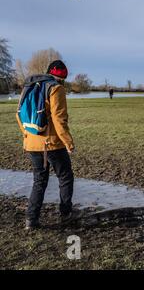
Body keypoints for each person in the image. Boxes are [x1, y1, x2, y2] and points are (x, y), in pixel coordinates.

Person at [16, 60, 76, 230]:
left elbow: (19, 114)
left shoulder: (29, 86)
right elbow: (59, 120)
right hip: (51, 144)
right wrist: (68, 143)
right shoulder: (56, 88)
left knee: (39, 181)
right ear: (61, 77)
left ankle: (31, 220)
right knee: (65, 177)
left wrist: (27, 136)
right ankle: (66, 214)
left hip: (32, 143)